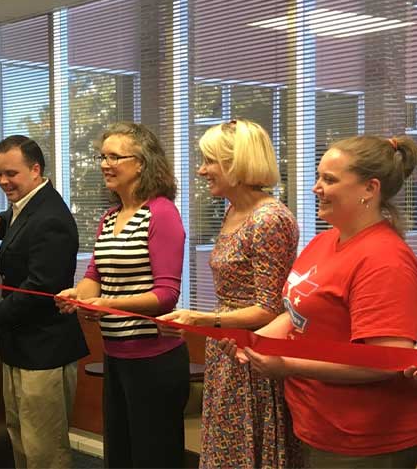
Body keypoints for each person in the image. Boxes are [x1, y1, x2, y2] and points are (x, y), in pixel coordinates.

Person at [221, 135, 417, 468]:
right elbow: (297, 313)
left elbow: (389, 359)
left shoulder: (384, 258)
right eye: (318, 177)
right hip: (314, 423)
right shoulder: (324, 241)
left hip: (361, 439)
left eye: (329, 179)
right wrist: (256, 342)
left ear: (369, 189)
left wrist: (287, 366)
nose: (316, 188)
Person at [157, 119, 301, 468]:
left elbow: (269, 310)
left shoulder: (269, 219)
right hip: (227, 351)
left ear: (237, 164)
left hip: (254, 356)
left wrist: (201, 319)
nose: (201, 169)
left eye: (209, 161)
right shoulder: (234, 211)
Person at [56, 122, 189, 468]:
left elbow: (166, 295)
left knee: (153, 459)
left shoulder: (161, 213)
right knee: (120, 457)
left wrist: (108, 305)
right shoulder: (109, 217)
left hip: (155, 361)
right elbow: (93, 277)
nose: (105, 164)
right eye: (103, 156)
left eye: (115, 157)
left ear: (142, 163)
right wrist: (77, 296)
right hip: (116, 357)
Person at [0, 135, 88, 468]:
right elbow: (21, 221)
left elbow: (43, 284)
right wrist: (1, 219)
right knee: (20, 437)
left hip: (46, 349)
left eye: (11, 173)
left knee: (45, 449)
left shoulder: (51, 217)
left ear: (36, 169)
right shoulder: (27, 207)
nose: (3, 181)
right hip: (20, 345)